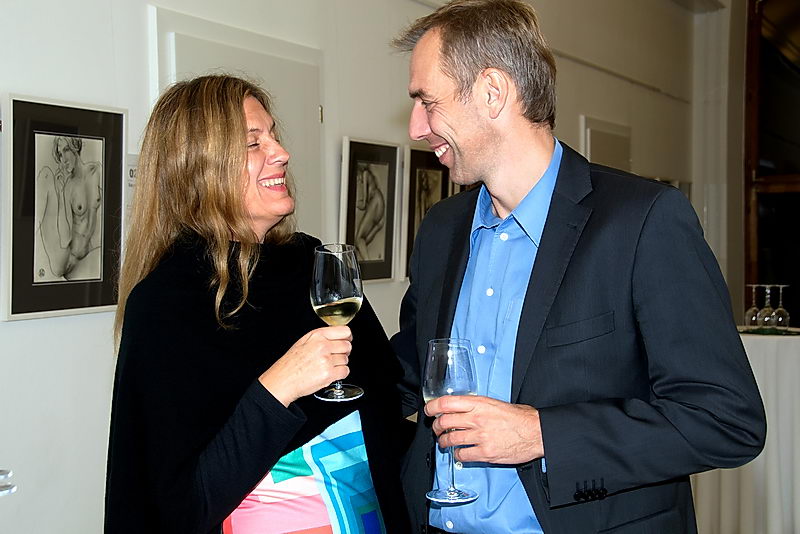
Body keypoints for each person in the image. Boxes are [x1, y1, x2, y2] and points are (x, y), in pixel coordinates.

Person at [389, 1, 766, 533]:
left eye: (427, 102)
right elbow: (406, 373)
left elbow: (726, 421)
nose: (415, 128)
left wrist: (541, 435)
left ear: (493, 92)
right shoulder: (441, 229)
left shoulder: (643, 222)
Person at [105, 75, 410, 533]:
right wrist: (278, 388)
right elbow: (180, 506)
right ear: (199, 168)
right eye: (253, 143)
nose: (281, 152)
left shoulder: (315, 265)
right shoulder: (166, 304)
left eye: (273, 135)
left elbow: (385, 409)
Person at [35, 135, 102, 280]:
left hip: (89, 254)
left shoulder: (96, 171)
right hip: (70, 262)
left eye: (66, 150)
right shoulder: (68, 187)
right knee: (46, 175)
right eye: (60, 154)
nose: (63, 159)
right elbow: (65, 239)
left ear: (76, 147)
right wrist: (61, 192)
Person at [354, 162, 386, 260]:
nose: (358, 180)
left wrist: (356, 204)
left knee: (358, 239)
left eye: (357, 178)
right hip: (378, 203)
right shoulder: (369, 176)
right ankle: (378, 227)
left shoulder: (365, 174)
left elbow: (364, 204)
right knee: (359, 242)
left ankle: (367, 261)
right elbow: (365, 203)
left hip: (376, 201)